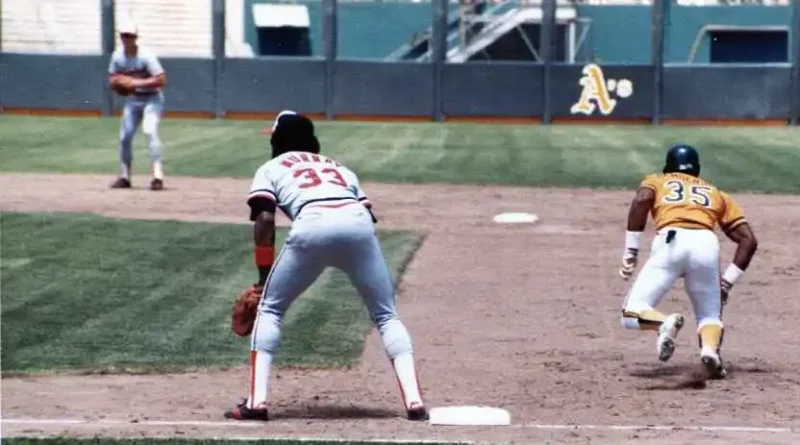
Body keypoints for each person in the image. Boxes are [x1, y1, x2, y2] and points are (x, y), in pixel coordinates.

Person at [225, 111, 429, 421]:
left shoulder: (270, 167)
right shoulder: (339, 168)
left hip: (312, 226)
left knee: (270, 309)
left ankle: (257, 403)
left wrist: (264, 277)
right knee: (386, 315)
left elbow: (265, 219)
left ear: (277, 140)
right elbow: (366, 216)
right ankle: (414, 402)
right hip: (359, 227)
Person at [618, 144, 758, 379]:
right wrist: (727, 282)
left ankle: (663, 323)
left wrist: (631, 250)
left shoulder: (658, 180)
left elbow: (642, 200)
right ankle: (710, 351)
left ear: (668, 167)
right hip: (706, 244)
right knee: (710, 316)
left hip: (671, 243)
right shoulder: (716, 193)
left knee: (631, 314)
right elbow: (749, 240)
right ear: (697, 170)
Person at [107, 22, 167, 191]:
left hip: (152, 99)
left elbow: (162, 80)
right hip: (133, 99)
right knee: (124, 136)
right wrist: (119, 84)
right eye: (124, 35)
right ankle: (125, 177)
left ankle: (157, 176)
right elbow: (112, 78)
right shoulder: (117, 56)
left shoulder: (146, 56)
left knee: (149, 131)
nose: (127, 39)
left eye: (130, 36)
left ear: (136, 37)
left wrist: (135, 82)